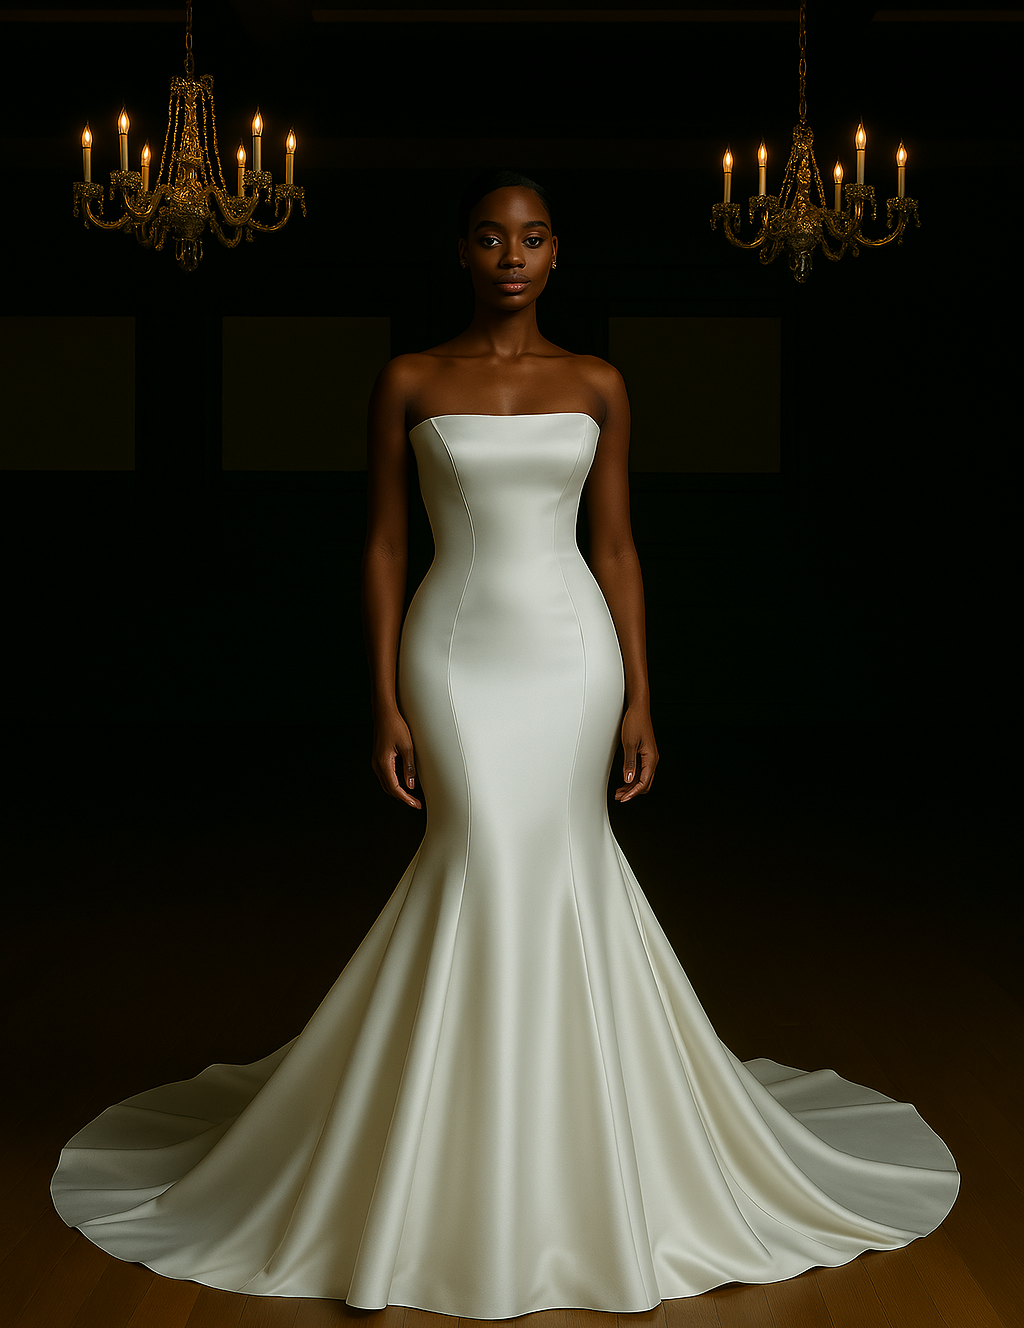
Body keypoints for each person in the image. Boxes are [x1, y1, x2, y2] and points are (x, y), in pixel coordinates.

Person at [51, 170, 959, 1320]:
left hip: (574, 652)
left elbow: (618, 546)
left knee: (564, 859)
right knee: (476, 850)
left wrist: (639, 694)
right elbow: (384, 545)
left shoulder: (598, 381)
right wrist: (382, 694)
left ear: (556, 254)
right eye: (489, 236)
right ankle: (456, 1142)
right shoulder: (409, 379)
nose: (510, 255)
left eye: (530, 237)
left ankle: (577, 1136)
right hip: (456, 648)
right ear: (463, 253)